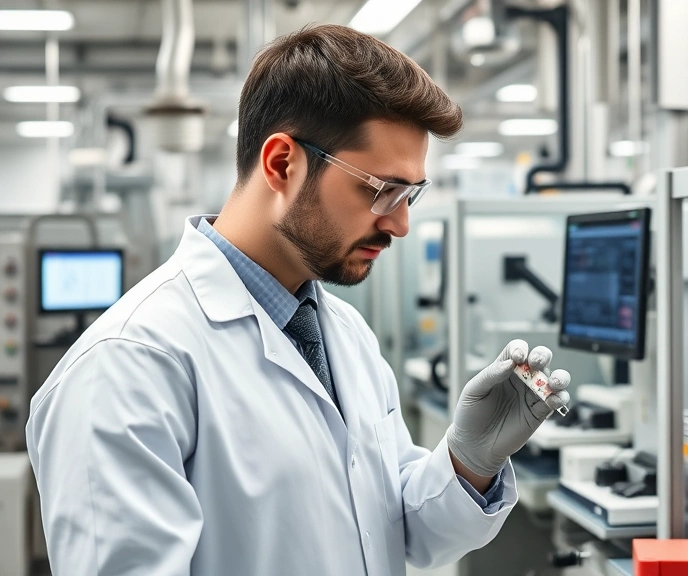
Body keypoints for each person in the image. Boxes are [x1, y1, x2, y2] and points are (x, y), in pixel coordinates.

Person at [26, 24, 570, 576]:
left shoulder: (344, 332)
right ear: (282, 163)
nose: (401, 224)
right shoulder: (128, 365)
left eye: (411, 194)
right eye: (381, 190)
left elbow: (396, 530)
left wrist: (469, 463)